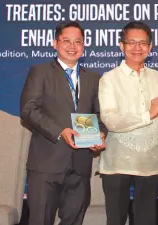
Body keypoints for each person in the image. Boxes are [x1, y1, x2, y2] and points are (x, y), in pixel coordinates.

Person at [20, 21, 106, 225]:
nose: (72, 46)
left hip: (81, 163)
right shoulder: (40, 71)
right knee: (40, 220)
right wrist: (60, 131)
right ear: (54, 43)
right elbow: (28, 109)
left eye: (78, 41)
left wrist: (101, 134)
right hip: (46, 162)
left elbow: (100, 115)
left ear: (84, 46)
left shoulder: (93, 78)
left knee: (74, 220)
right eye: (66, 40)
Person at [97, 21, 158, 225]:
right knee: (116, 219)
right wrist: (148, 114)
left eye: (143, 43)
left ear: (150, 47)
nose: (137, 48)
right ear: (121, 46)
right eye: (131, 42)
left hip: (150, 160)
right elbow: (110, 120)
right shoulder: (109, 79)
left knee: (146, 219)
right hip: (118, 160)